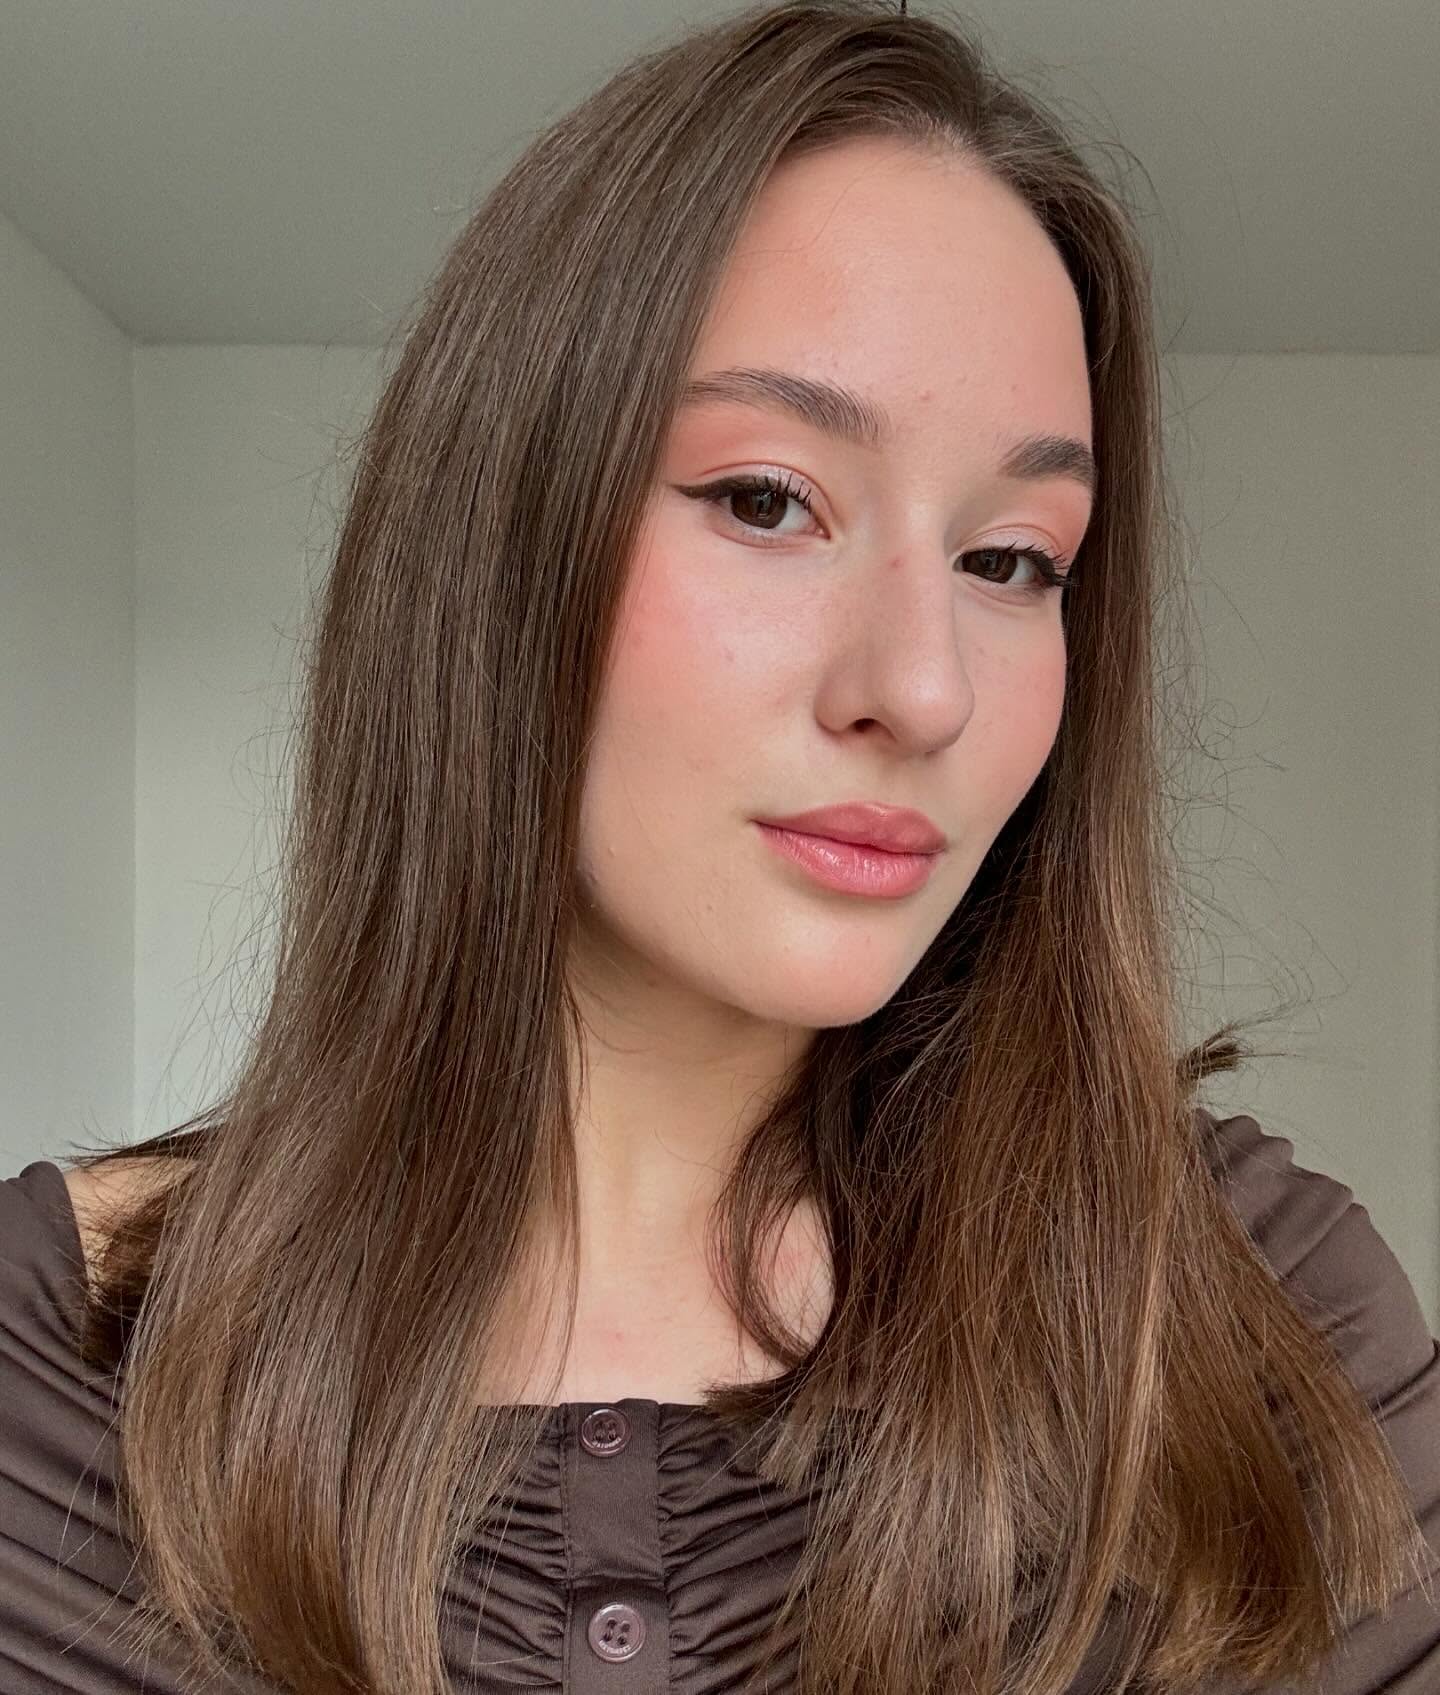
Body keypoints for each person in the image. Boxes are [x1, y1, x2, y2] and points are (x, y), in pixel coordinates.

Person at [3, 2, 1437, 1692]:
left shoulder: (1255, 1321)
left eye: (1012, 560)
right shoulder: (50, 1366)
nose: (924, 689)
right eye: (767, 499)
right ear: (496, 538)